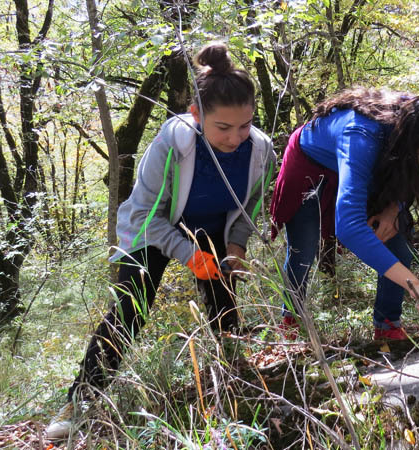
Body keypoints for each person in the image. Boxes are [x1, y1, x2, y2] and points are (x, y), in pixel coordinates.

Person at [45, 42, 276, 439]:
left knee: (224, 302)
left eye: (244, 125)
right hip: (151, 230)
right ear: (196, 115)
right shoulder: (175, 142)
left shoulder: (261, 150)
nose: (236, 137)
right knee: (128, 313)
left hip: (211, 230)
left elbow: (249, 206)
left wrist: (235, 247)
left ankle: (233, 374)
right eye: (223, 127)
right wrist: (190, 254)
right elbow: (147, 215)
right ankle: (80, 401)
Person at [270, 88, 419, 340]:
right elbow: (350, 227)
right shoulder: (361, 135)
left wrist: (393, 207)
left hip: (372, 166)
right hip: (312, 169)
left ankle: (387, 325)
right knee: (304, 249)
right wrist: (417, 287)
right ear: (408, 146)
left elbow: (401, 171)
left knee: (398, 243)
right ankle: (291, 317)